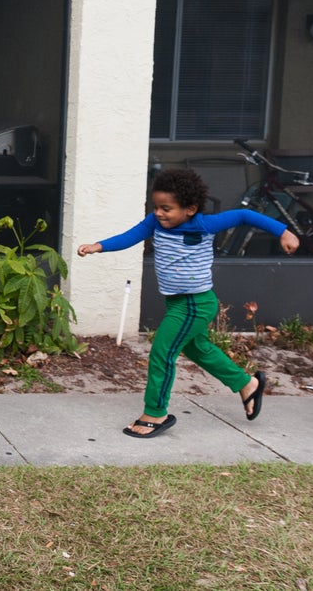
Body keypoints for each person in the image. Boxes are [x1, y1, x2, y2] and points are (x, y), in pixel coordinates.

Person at [78, 167, 299, 439]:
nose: (159, 212)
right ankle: (246, 384)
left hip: (195, 303)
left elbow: (244, 215)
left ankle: (155, 413)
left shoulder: (204, 224)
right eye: (156, 206)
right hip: (177, 303)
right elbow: (130, 236)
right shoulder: (155, 223)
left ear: (190, 209)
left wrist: (283, 232)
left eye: (166, 208)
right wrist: (98, 246)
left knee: (162, 350)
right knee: (199, 349)